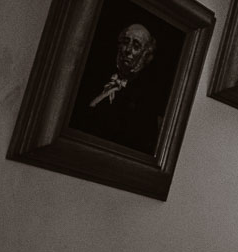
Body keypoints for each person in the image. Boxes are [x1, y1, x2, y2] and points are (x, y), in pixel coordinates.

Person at [66, 22, 167, 155]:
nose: (128, 50)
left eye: (136, 46)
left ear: (145, 55)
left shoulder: (144, 99)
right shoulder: (95, 77)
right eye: (125, 42)